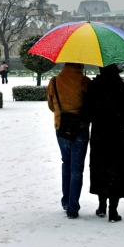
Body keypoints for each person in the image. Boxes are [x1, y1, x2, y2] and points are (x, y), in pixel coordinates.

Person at [82, 64, 124, 223]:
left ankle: (102, 207)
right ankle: (113, 211)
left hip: (99, 135)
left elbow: (87, 112)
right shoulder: (122, 88)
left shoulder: (94, 87)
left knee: (100, 169)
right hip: (118, 135)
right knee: (116, 171)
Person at [47, 63, 91, 219]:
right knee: (77, 169)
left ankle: (65, 201)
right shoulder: (85, 81)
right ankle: (73, 208)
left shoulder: (54, 81)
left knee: (66, 163)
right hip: (80, 128)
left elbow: (51, 106)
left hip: (61, 127)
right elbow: (90, 107)